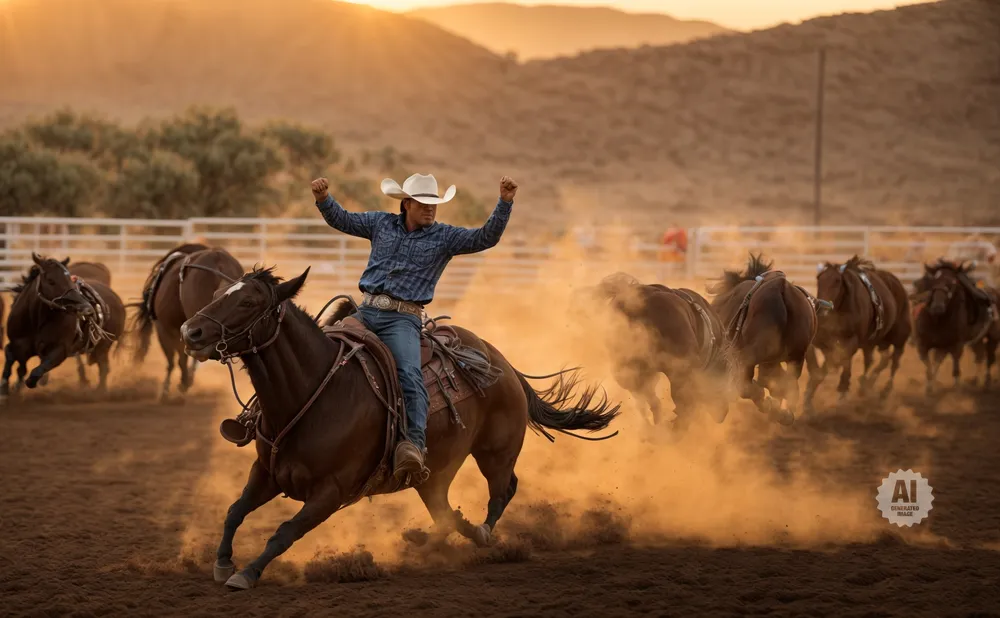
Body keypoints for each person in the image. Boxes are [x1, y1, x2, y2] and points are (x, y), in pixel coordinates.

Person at [308, 172, 517, 480]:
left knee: (409, 372)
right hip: (365, 311)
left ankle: (413, 445)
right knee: (320, 351)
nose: (430, 209)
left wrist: (504, 203)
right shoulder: (381, 224)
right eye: (423, 203)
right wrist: (324, 199)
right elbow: (343, 220)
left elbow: (485, 237)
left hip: (402, 319)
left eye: (434, 204)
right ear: (406, 204)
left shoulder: (444, 237)